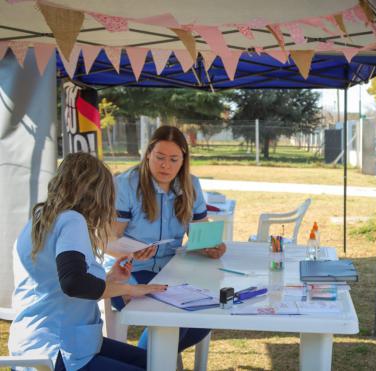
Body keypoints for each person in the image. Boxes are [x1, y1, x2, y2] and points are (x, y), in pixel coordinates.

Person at [8, 153, 167, 371]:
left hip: (38, 344)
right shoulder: (72, 220)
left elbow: (59, 281)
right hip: (57, 350)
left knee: (153, 362)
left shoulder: (40, 219)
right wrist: (129, 289)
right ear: (96, 195)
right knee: (155, 365)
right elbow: (74, 283)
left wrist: (110, 279)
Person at [110, 125, 226, 352]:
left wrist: (212, 246)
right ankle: (150, 361)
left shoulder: (191, 184)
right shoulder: (126, 184)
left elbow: (199, 232)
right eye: (160, 157)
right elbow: (111, 238)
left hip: (174, 270)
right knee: (171, 314)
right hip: (131, 271)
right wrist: (130, 252)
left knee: (209, 311)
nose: (166, 165)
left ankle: (151, 359)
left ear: (183, 160)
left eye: (174, 159)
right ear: (148, 154)